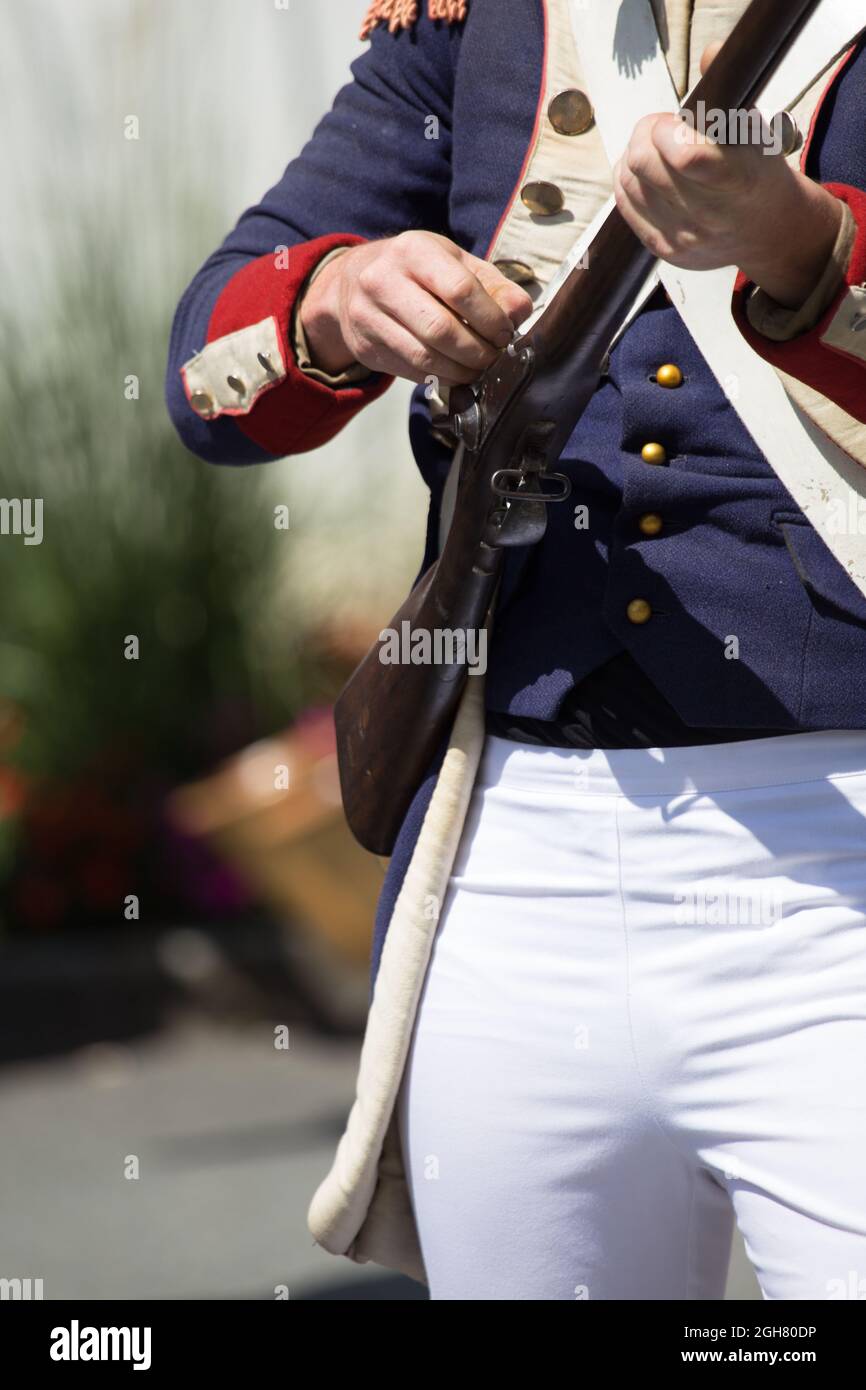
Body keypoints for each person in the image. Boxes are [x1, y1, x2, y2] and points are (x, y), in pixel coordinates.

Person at [166, 0, 866, 1300]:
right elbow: (208, 362)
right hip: (515, 844)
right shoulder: (479, 18)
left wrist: (808, 247)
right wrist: (335, 298)